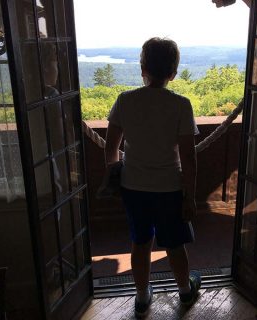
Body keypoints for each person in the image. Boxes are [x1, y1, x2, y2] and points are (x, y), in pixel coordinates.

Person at [104, 37, 201, 317]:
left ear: (142, 68)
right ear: (173, 72)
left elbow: (111, 148)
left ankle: (143, 296)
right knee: (174, 243)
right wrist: (190, 196)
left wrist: (113, 178)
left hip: (133, 186)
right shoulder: (181, 104)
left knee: (140, 242)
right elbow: (189, 157)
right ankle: (185, 291)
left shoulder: (125, 100)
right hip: (169, 188)